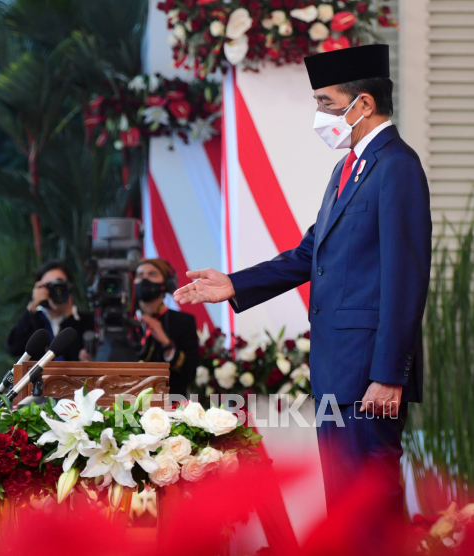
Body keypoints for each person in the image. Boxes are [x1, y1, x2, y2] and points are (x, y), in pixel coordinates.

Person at [173, 45, 431, 518]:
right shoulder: (347, 168)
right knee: (345, 507)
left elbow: (406, 277)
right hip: (337, 371)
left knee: (370, 507)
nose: (320, 115)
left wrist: (389, 375)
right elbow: (311, 252)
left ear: (364, 105)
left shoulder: (398, 167)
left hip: (370, 376)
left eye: (327, 104)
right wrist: (234, 284)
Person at [134, 259, 198, 397]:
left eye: (151, 274)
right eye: (139, 275)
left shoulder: (183, 322)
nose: (144, 280)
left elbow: (189, 373)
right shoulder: (123, 321)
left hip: (168, 404)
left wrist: (166, 343)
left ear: (167, 284)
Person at [6, 260, 94, 361]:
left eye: (60, 286)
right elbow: (13, 348)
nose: (55, 291)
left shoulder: (88, 321)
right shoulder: (33, 319)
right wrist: (32, 307)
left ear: (70, 288)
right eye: (48, 286)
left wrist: (69, 316)